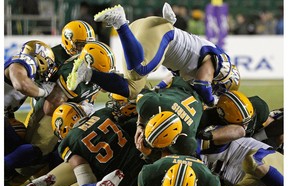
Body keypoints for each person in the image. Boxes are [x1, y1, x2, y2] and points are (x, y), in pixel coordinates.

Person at [67, 2, 240, 107]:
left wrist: (157, 90)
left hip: (152, 32)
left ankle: (88, 73)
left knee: (133, 89)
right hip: (161, 34)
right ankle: (119, 22)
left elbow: (170, 80)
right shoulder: (219, 64)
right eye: (220, 87)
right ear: (226, 77)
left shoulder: (201, 64)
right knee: (138, 70)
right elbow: (203, 83)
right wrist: (212, 101)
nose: (216, 89)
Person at [4, 20, 100, 186]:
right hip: (49, 111)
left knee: (37, 153)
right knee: (32, 153)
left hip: (61, 112)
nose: (82, 49)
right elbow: (33, 90)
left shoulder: (88, 58)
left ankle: (20, 185)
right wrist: (44, 92)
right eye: (79, 44)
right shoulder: (39, 58)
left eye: (86, 45)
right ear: (68, 40)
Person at [19, 101, 147, 186]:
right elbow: (131, 110)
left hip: (98, 169)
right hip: (135, 165)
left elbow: (81, 167)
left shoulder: (67, 142)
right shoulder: (103, 113)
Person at [5, 40, 56, 186]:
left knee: (27, 152)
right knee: (31, 152)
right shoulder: (25, 60)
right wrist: (43, 91)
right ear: (41, 57)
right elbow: (21, 85)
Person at [198, 126, 283, 186]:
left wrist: (208, 135)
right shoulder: (194, 164)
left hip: (274, 165)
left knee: (250, 162)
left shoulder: (210, 135)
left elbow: (239, 131)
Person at [134, 76, 204, 162]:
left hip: (199, 98)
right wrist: (140, 125)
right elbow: (142, 96)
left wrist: (150, 154)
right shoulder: (149, 105)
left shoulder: (185, 142)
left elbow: (174, 161)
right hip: (183, 82)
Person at [196, 90, 283, 150]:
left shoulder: (260, 110)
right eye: (241, 122)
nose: (245, 125)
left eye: (249, 120)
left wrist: (257, 138)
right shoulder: (207, 118)